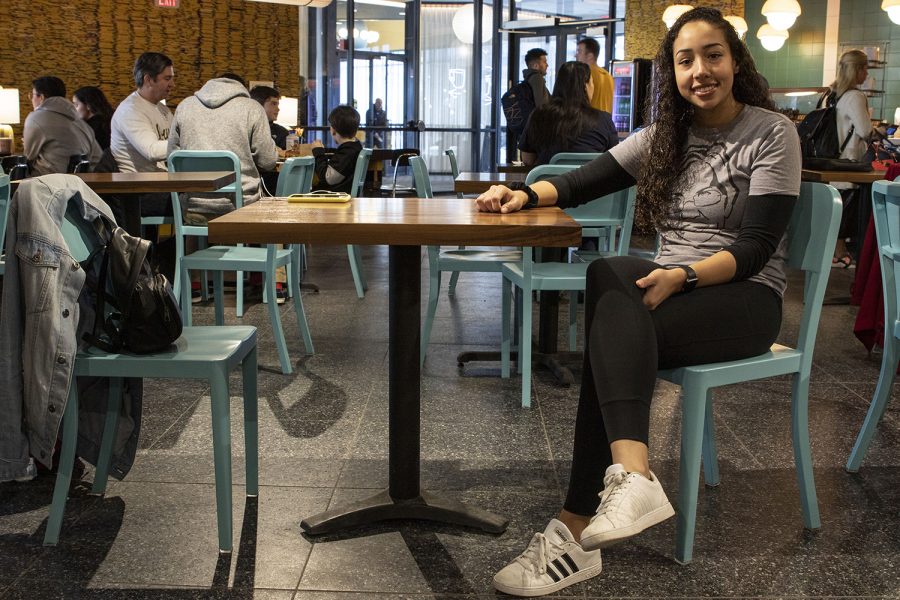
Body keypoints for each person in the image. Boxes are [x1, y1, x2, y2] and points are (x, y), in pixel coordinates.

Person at [477, 8, 800, 596]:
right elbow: (583, 180)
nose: (700, 70)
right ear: (670, 74)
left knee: (613, 322)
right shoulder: (664, 137)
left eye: (713, 55)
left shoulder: (771, 132)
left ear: (736, 62)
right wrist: (520, 195)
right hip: (673, 290)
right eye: (685, 60)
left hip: (744, 301)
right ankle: (626, 479)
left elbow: (756, 249)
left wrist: (684, 276)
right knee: (609, 276)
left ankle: (578, 527)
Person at [168, 73, 278, 220]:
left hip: (194, 205)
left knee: (196, 215)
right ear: (241, 88)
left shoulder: (184, 106)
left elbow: (172, 159)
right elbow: (268, 161)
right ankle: (242, 242)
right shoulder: (252, 108)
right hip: (241, 205)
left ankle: (196, 240)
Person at [109, 52, 175, 221]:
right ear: (148, 79)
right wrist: (189, 143)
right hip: (139, 192)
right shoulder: (131, 110)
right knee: (196, 201)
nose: (172, 84)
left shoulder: (162, 109)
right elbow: (152, 151)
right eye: (167, 79)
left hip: (159, 185)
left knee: (203, 198)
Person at [518, 61, 618, 167]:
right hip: (590, 183)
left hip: (547, 181)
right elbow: (615, 159)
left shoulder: (538, 115)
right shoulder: (603, 119)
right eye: (592, 82)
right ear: (585, 86)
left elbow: (527, 159)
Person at [826, 49, 873, 267]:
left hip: (830, 161)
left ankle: (834, 253)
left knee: (835, 211)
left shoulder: (832, 94)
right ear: (859, 69)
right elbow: (865, 131)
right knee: (847, 213)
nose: (866, 73)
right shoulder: (855, 96)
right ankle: (840, 254)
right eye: (865, 68)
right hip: (850, 162)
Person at [22, 76, 102, 176]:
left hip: (46, 183)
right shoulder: (82, 124)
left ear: (41, 97)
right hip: (81, 184)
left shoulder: (35, 118)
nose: (31, 99)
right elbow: (97, 158)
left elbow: (28, 156)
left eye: (32, 95)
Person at [312, 105, 362, 194]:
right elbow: (339, 155)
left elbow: (328, 178)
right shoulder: (355, 146)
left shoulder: (347, 151)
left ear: (333, 130)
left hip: (334, 197)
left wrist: (318, 153)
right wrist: (323, 150)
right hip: (343, 195)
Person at [576, 37, 614, 114]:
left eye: (579, 52)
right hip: (605, 122)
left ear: (590, 56)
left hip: (588, 122)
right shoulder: (608, 76)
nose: (576, 55)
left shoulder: (584, 74)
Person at [72, 86, 115, 151]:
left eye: (76, 105)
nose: (73, 109)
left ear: (88, 105)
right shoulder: (109, 119)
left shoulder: (90, 128)